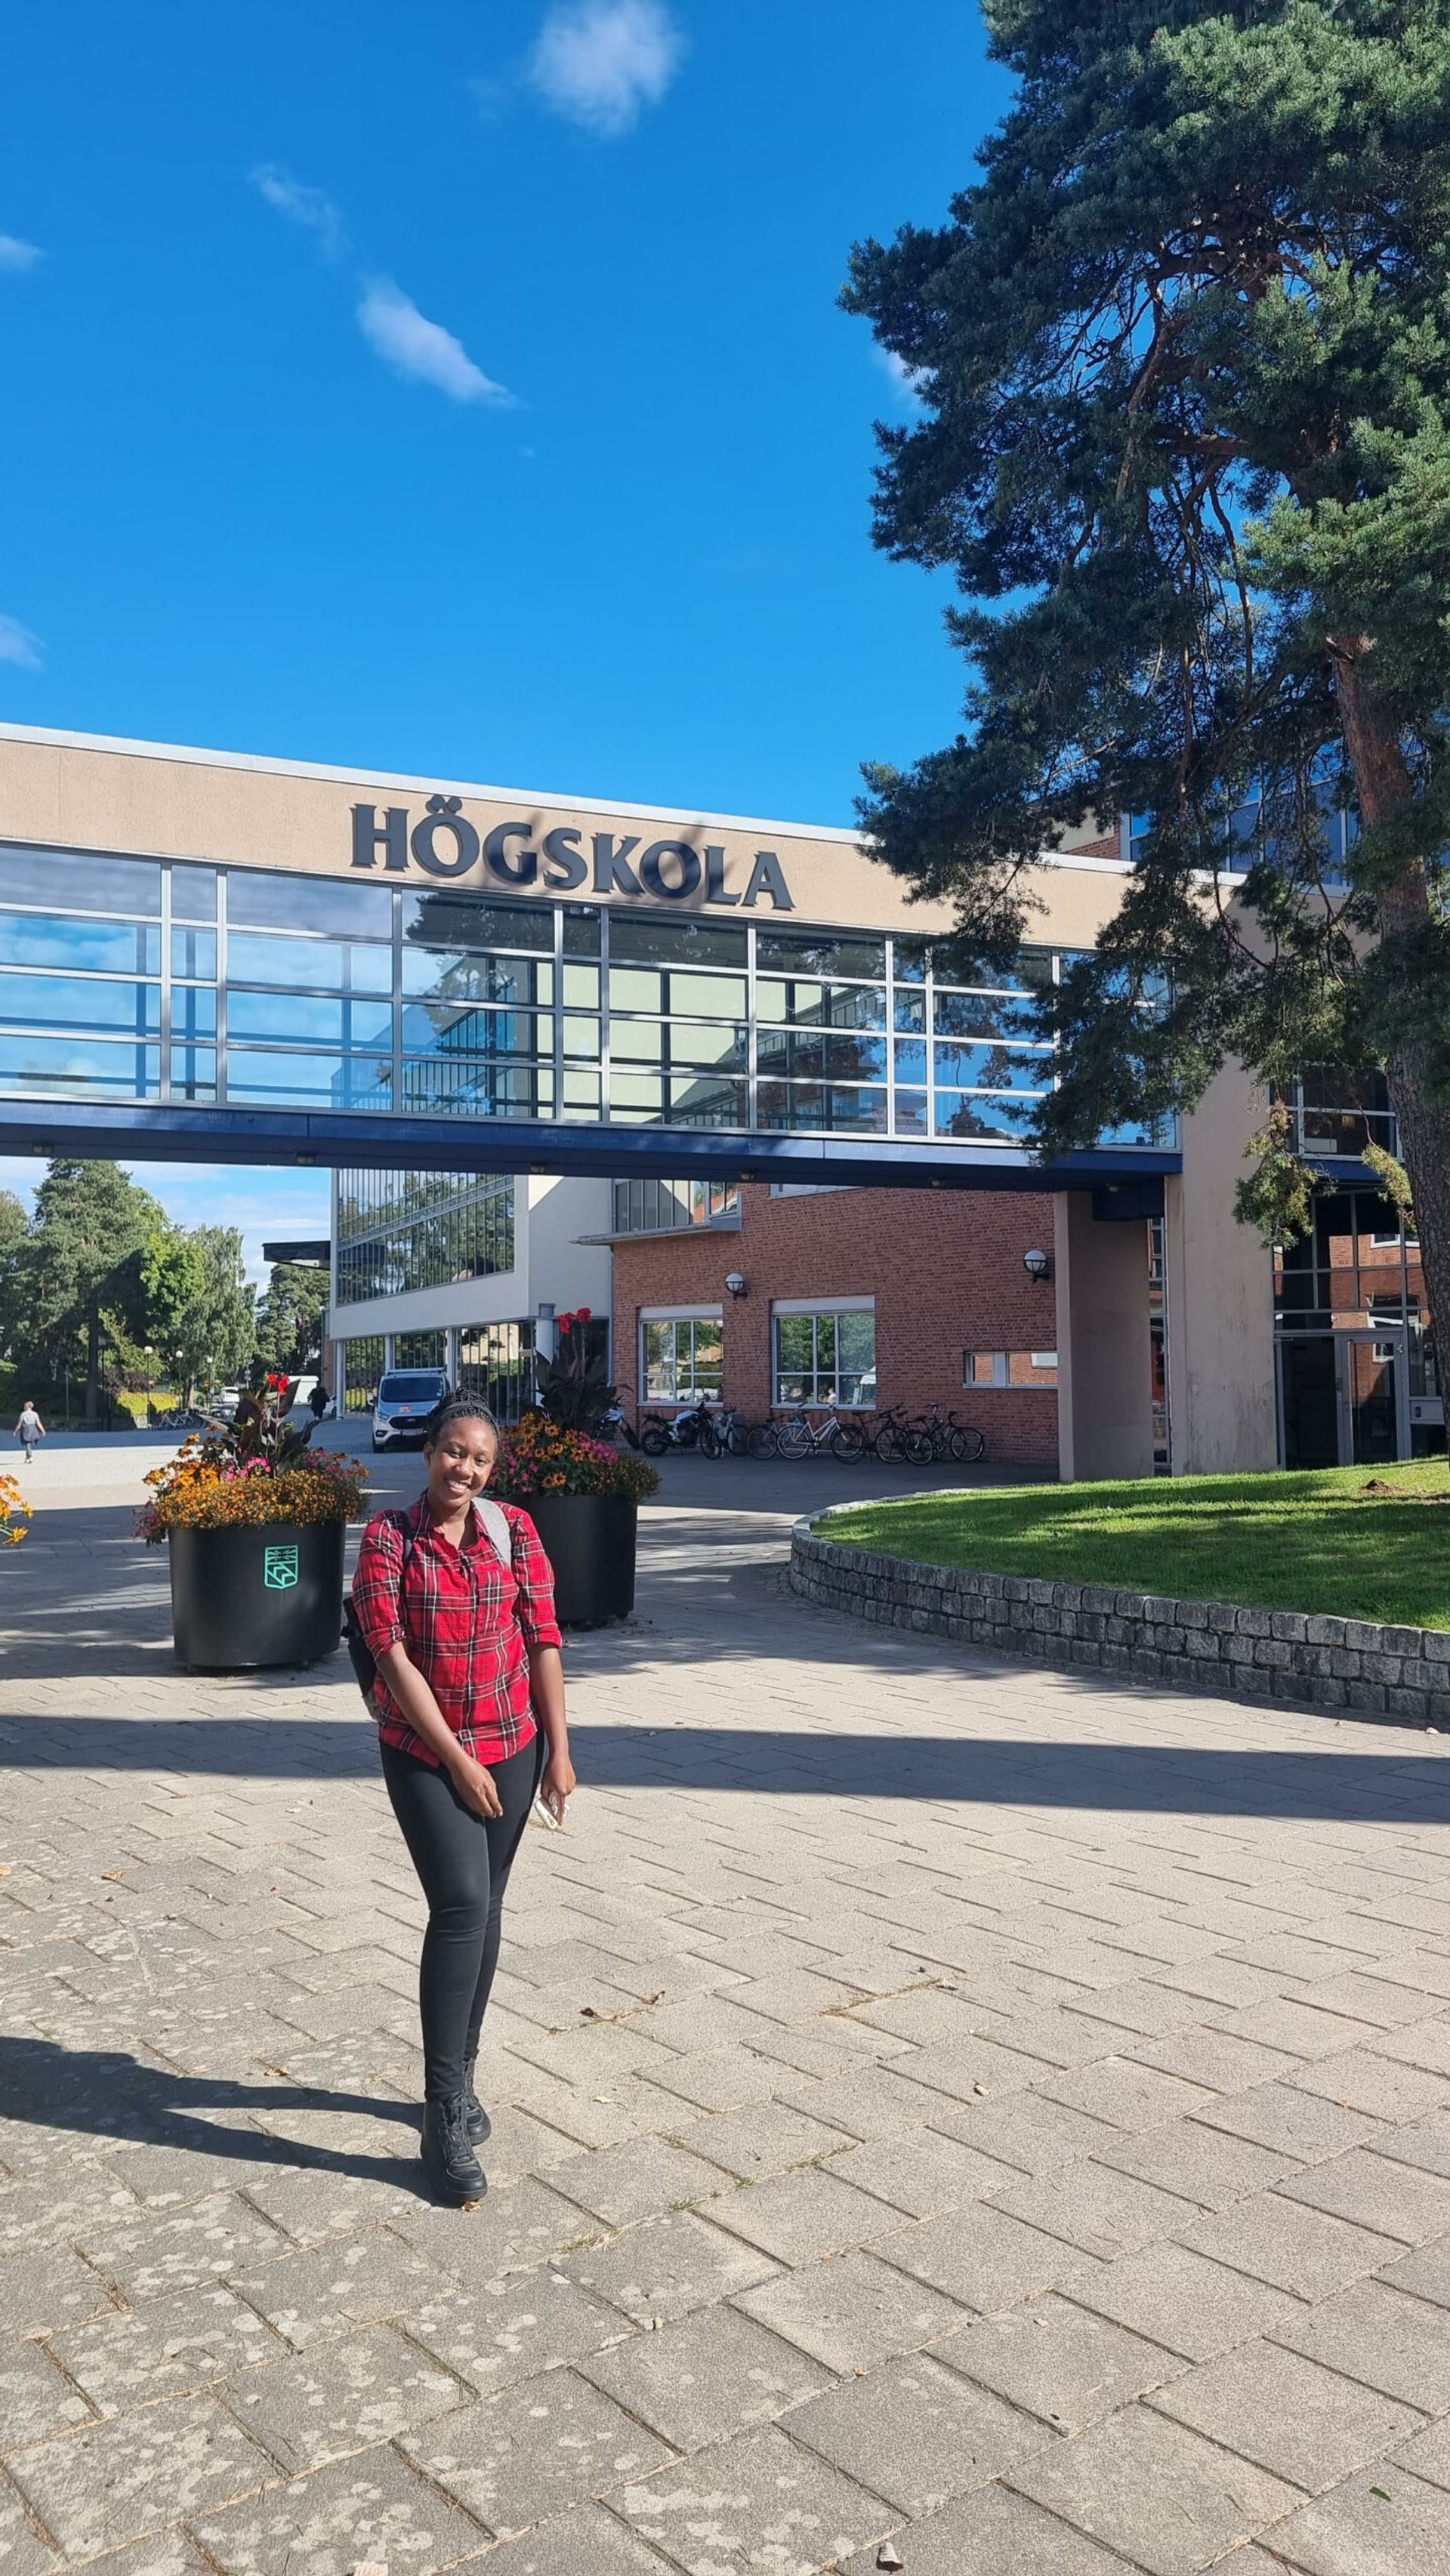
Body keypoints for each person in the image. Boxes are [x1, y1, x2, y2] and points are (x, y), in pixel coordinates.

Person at [350, 1396, 575, 2204]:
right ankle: (441, 2109)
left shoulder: (513, 1531)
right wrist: (455, 1759)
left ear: (492, 1469)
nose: (464, 1469)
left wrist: (559, 1751)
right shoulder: (389, 1539)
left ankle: (465, 2079)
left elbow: (543, 1638)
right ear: (429, 1454)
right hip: (421, 1748)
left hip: (513, 1740)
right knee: (460, 1905)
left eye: (479, 1459)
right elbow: (392, 1656)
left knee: (489, 1909)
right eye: (453, 1451)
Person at [14, 1400, 45, 1466]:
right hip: (33, 1428)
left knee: (27, 1442)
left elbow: (19, 1424)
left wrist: (15, 1431)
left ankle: (30, 1456)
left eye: (24, 1406)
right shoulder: (35, 1414)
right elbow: (38, 1423)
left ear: (27, 1406)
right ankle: (27, 1457)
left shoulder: (23, 1414)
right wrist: (42, 1430)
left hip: (26, 1429)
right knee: (29, 1443)